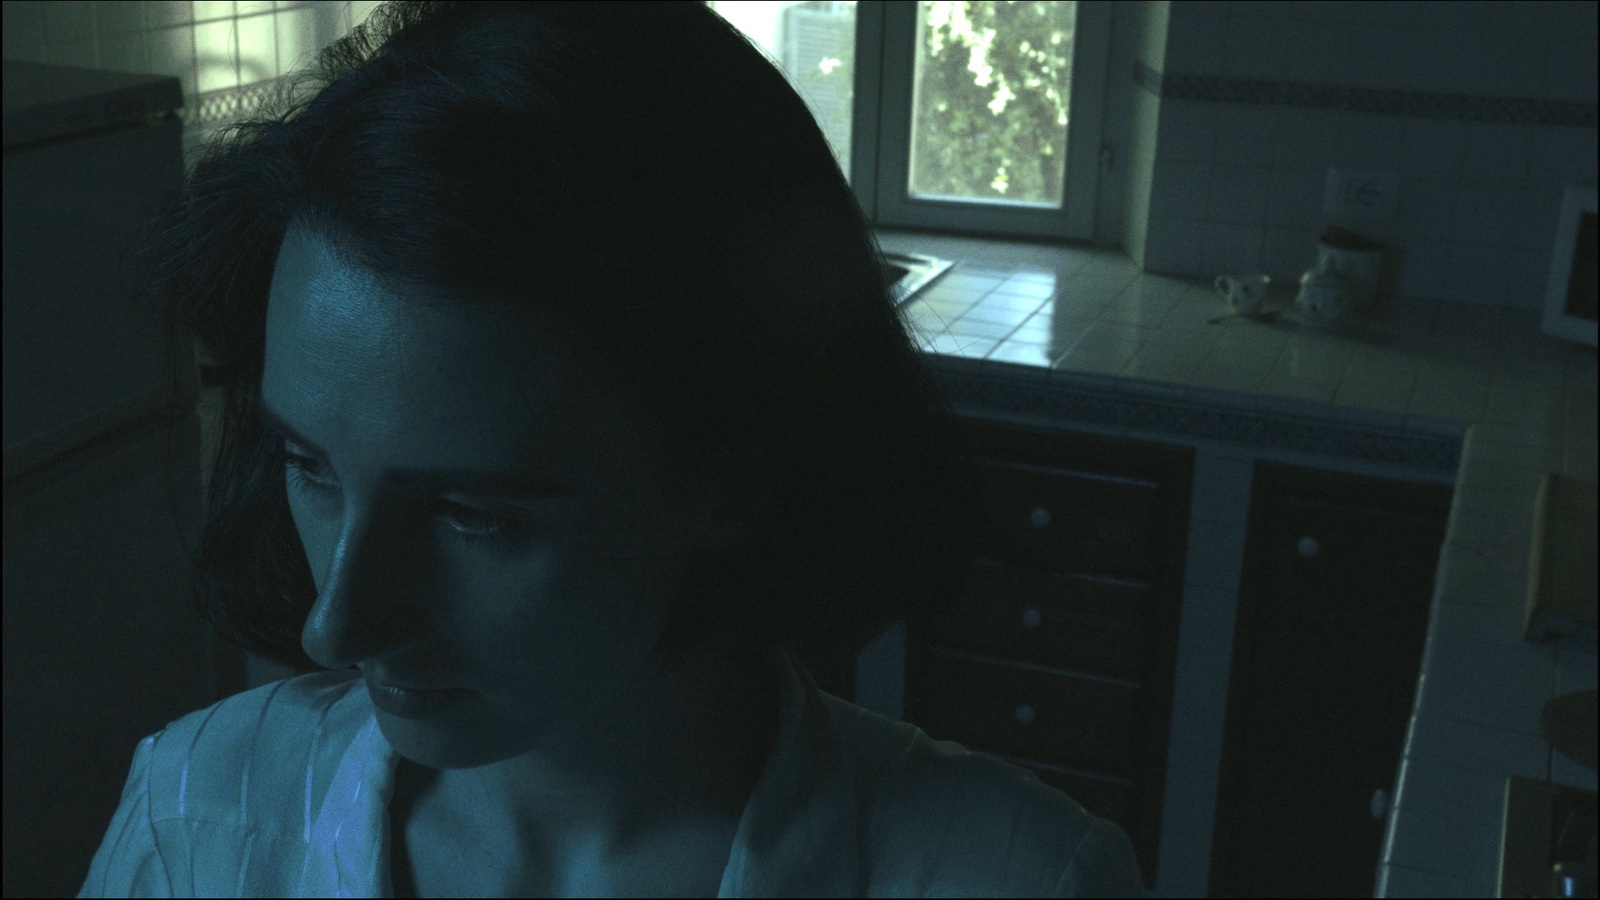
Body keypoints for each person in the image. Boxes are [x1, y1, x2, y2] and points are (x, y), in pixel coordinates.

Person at [78, 2, 1146, 896]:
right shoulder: (199, 817)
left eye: (472, 514)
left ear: (730, 477)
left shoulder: (1023, 879)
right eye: (310, 464)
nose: (336, 625)